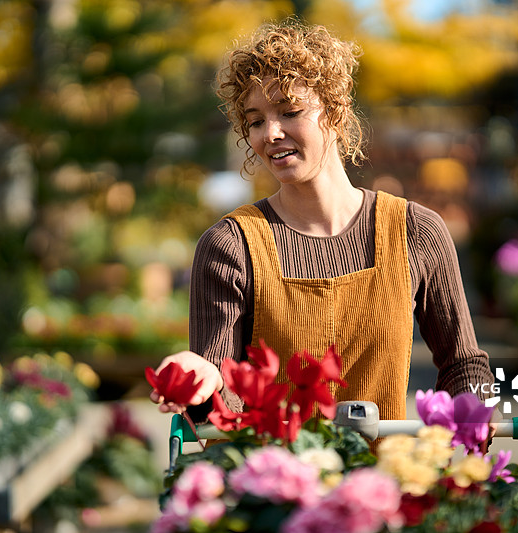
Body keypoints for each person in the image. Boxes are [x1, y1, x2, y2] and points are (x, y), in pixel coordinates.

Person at [149, 19, 495, 442]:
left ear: (334, 112)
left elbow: (462, 363)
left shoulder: (416, 232)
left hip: (386, 487)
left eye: (290, 112)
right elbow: (221, 409)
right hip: (273, 493)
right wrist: (203, 379)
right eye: (255, 121)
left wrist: (474, 407)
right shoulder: (230, 246)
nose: (270, 133)